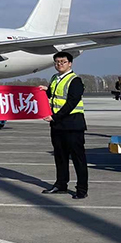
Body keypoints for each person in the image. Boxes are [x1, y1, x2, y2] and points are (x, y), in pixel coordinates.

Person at [39, 52, 88, 199]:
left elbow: (72, 102)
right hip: (57, 125)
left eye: (63, 61)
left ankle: (82, 189)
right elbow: (54, 96)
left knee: (78, 158)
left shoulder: (75, 80)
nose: (59, 64)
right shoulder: (55, 78)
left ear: (70, 63)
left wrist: (54, 117)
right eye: (57, 62)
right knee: (60, 157)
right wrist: (45, 91)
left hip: (73, 124)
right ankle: (61, 184)